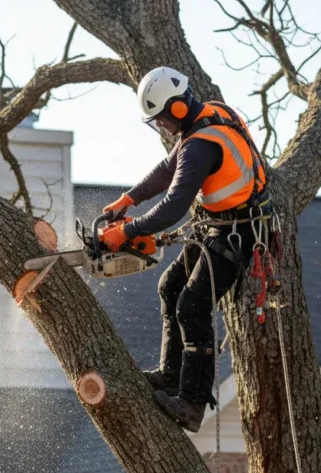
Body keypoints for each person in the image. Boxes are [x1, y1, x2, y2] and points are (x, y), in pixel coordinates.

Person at [100, 66, 270, 433]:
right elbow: (167, 168)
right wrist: (129, 199)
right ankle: (171, 374)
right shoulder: (209, 115)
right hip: (220, 225)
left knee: (192, 306)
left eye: (160, 119)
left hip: (239, 233)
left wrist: (127, 231)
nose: (160, 126)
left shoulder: (201, 145)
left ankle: (192, 402)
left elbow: (175, 205)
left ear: (176, 108)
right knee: (170, 287)